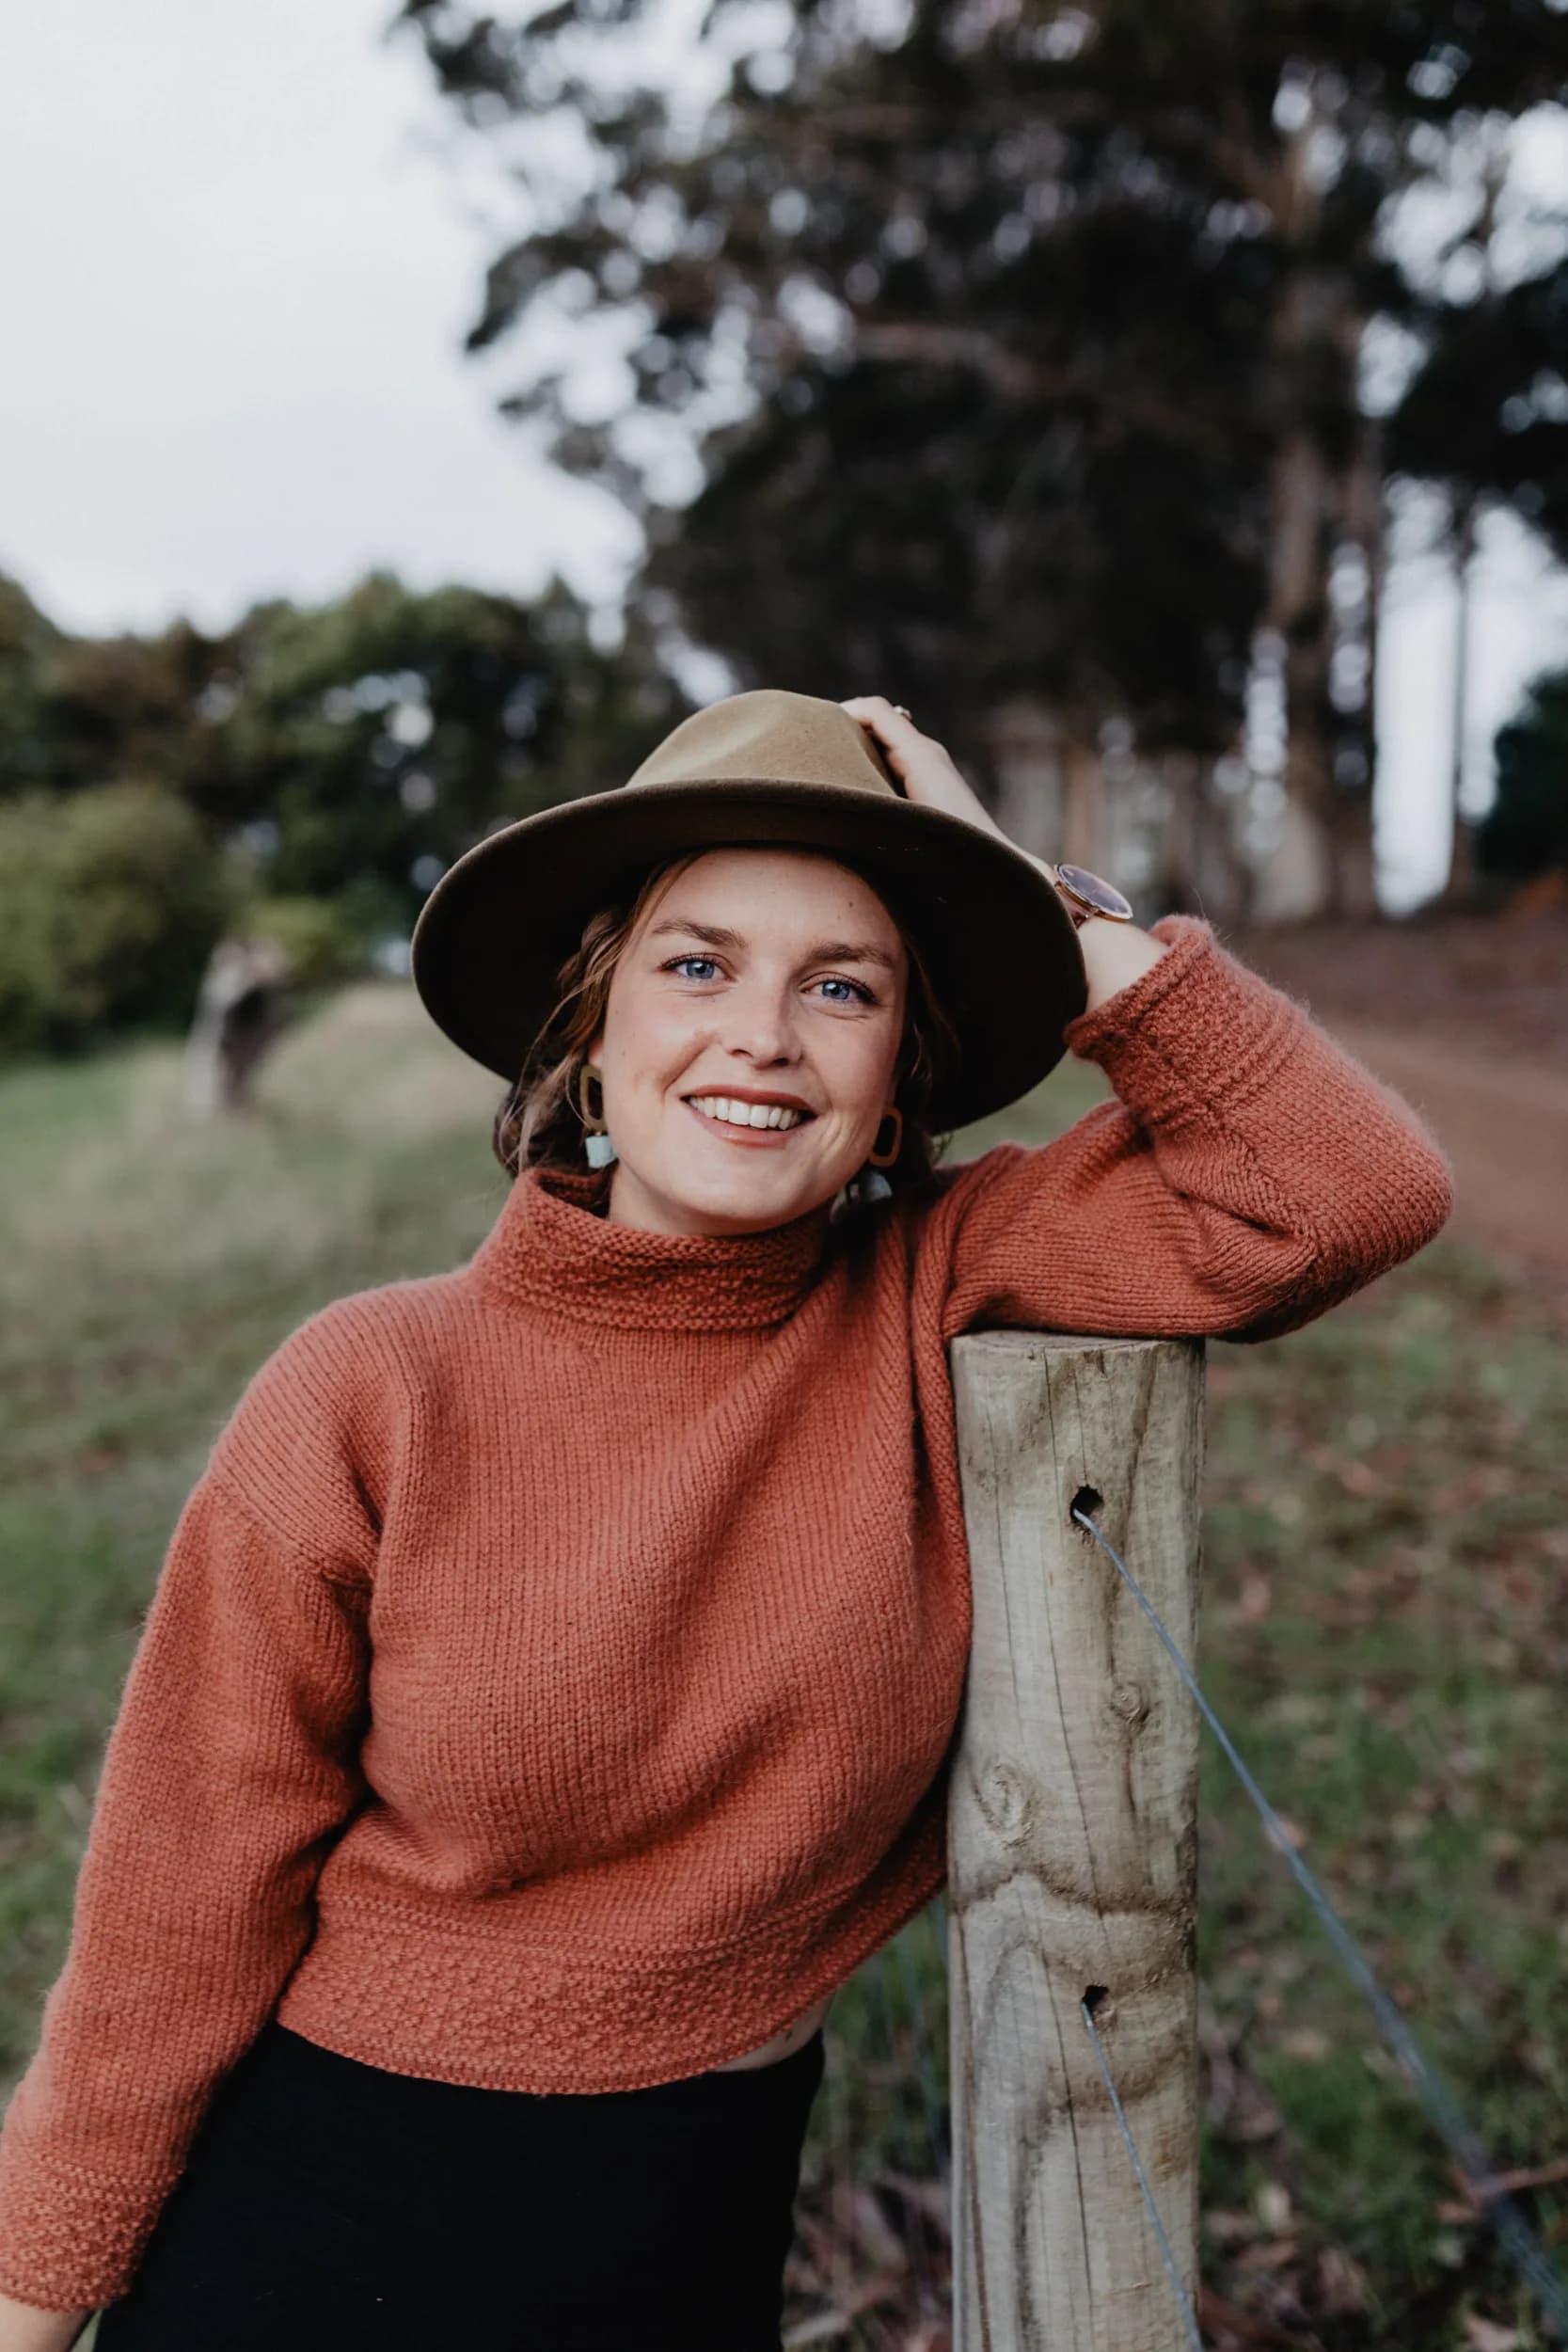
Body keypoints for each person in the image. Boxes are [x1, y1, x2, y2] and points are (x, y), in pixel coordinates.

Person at [0, 690, 1454, 2352]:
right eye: (697, 967)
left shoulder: (935, 1283)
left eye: (842, 988)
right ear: (588, 1032)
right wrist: (34, 2313)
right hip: (326, 2218)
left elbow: (1343, 1190)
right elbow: (177, 1910)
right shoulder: (372, 1388)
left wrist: (1033, 887)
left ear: (896, 1083)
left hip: (697, 2221)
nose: (762, 1034)